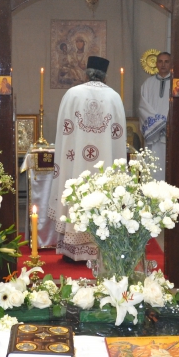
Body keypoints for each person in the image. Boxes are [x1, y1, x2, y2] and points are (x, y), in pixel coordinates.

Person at [47, 56, 127, 262]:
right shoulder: (114, 97)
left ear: (86, 74)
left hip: (76, 166)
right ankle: (102, 251)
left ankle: (73, 252)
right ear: (105, 76)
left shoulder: (72, 94)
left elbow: (64, 133)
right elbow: (118, 138)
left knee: (74, 194)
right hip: (105, 166)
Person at [138, 51, 172, 180]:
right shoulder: (148, 83)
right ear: (156, 64)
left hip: (170, 133)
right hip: (153, 134)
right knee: (153, 166)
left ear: (171, 64)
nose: (163, 64)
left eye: (166, 62)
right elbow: (142, 107)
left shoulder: (176, 82)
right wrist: (159, 124)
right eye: (160, 61)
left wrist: (168, 123)